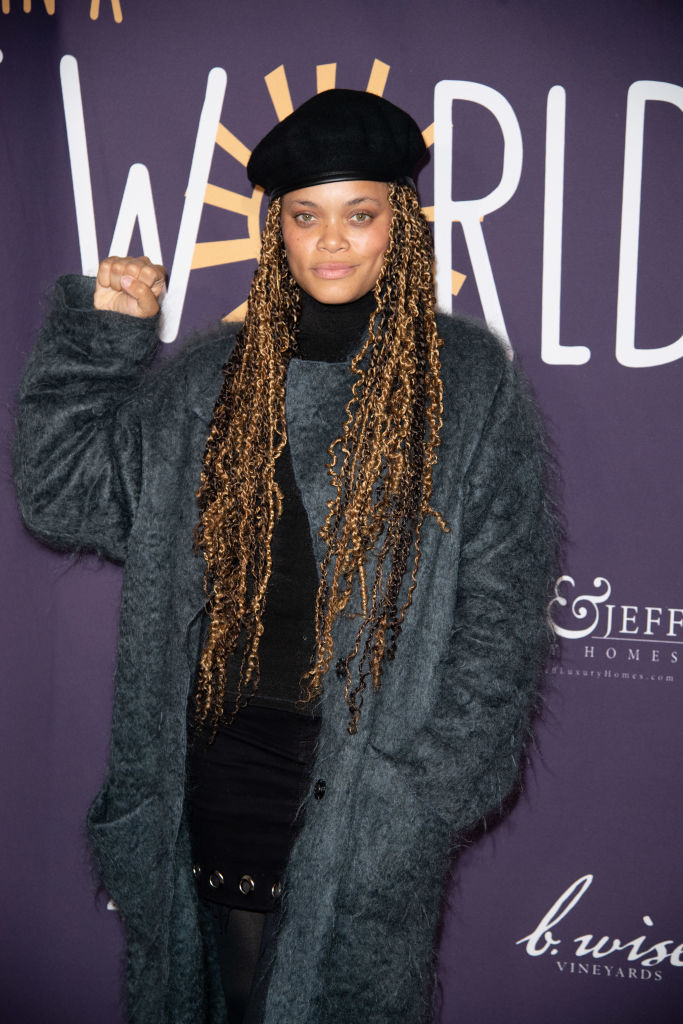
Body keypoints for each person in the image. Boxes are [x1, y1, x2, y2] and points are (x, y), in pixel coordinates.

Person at [14, 89, 558, 1024]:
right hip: (211, 770)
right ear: (278, 232)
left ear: (403, 225)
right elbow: (62, 493)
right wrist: (104, 338)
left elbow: (500, 620)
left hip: (363, 791)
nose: (333, 241)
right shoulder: (208, 380)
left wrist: (416, 799)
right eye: (306, 216)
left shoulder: (468, 388)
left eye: (360, 213)